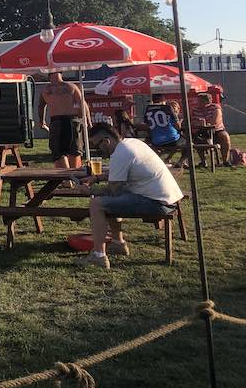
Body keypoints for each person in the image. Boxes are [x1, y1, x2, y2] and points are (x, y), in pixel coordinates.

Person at [77, 122, 185, 269]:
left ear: (106, 141)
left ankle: (99, 255)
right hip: (168, 198)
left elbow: (113, 190)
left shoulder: (120, 153)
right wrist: (97, 178)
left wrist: (90, 191)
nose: (98, 150)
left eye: (97, 145)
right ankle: (117, 243)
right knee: (111, 199)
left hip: (157, 203)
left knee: (97, 204)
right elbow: (119, 176)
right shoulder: (131, 143)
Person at [38, 72, 88, 169]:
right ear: (61, 74)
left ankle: (67, 178)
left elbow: (41, 107)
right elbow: (83, 105)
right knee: (74, 150)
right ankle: (73, 176)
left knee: (59, 152)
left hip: (57, 120)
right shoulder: (71, 87)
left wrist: (42, 120)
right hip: (72, 119)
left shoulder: (46, 90)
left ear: (49, 76)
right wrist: (86, 120)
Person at [193, 90, 232, 167]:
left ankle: (225, 161)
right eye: (198, 101)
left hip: (216, 131)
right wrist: (197, 123)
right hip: (201, 131)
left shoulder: (215, 108)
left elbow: (216, 121)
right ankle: (203, 162)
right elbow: (192, 121)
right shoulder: (195, 110)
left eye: (200, 101)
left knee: (225, 136)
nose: (198, 103)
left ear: (207, 101)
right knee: (196, 138)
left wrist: (207, 124)